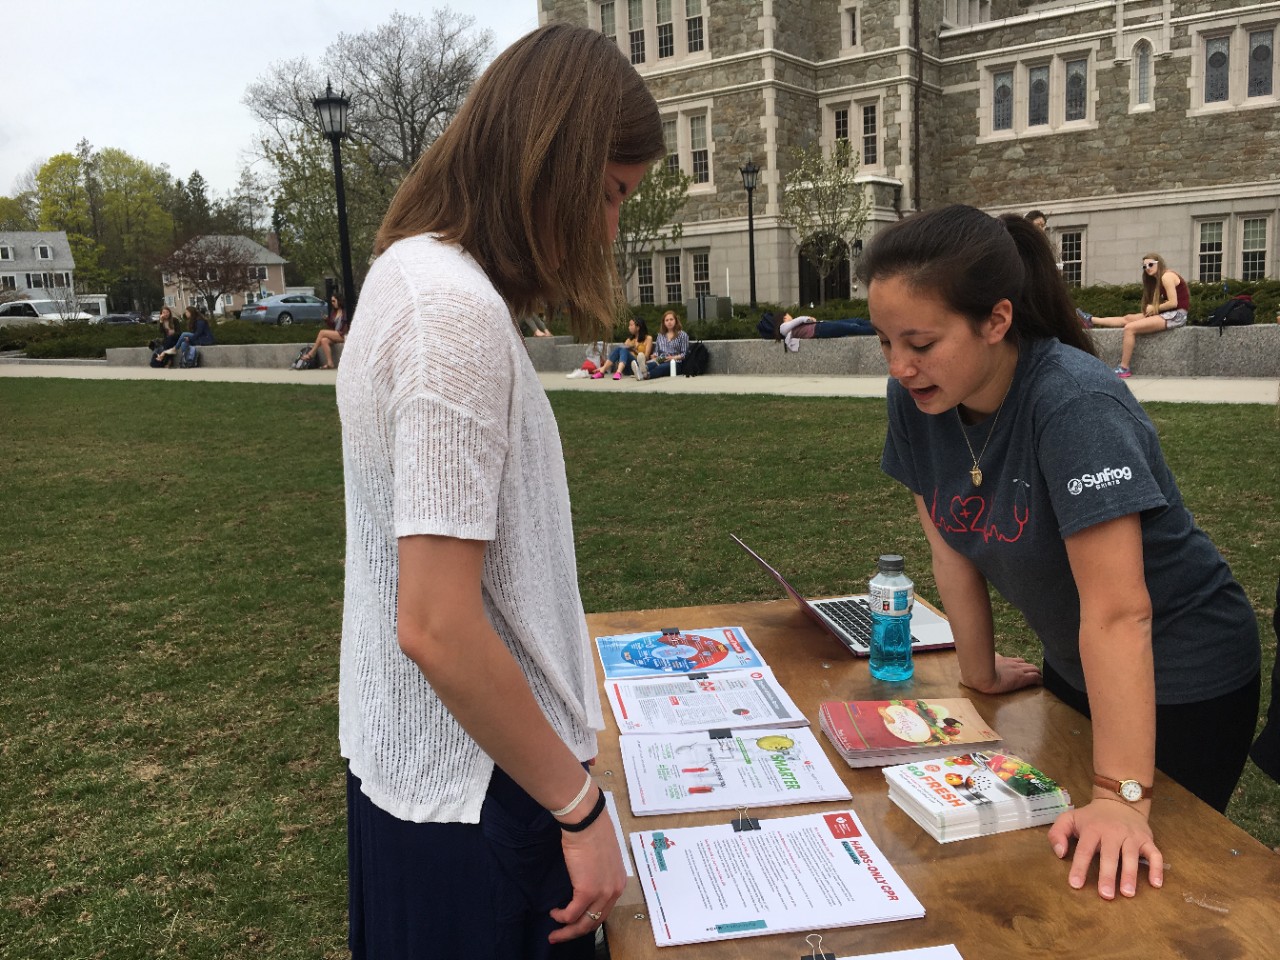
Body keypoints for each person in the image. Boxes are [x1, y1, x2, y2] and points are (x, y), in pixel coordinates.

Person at [334, 23, 661, 959]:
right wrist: (579, 805)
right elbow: (436, 624)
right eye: (607, 196)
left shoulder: (408, 274)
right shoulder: (452, 314)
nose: (607, 228)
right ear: (549, 165)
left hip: (437, 777)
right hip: (485, 798)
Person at [859, 204, 1260, 901]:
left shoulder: (1073, 403)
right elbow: (953, 548)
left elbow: (1118, 612)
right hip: (1080, 661)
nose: (900, 366)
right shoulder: (917, 401)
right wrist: (978, 671)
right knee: (1060, 862)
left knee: (1140, 881)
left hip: (1185, 673)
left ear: (996, 320)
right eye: (885, 342)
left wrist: (1122, 795)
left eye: (919, 342)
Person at [1075, 254, 1189, 378]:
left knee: (1130, 328)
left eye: (1151, 264)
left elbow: (1174, 303)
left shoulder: (1167, 276)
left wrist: (1154, 308)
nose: (1148, 268)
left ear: (1159, 263)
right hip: (1167, 313)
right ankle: (1090, 320)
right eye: (1145, 266)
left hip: (1176, 315)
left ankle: (1124, 368)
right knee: (1128, 318)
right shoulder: (1158, 279)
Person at [776, 311, 873, 352]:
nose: (790, 316)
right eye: (788, 315)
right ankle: (879, 331)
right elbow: (800, 319)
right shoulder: (783, 328)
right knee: (853, 327)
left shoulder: (788, 327)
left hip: (821, 326)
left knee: (856, 321)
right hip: (819, 330)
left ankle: (878, 325)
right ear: (784, 317)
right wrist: (808, 319)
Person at [298, 294, 349, 369]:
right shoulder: (333, 312)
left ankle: (311, 353)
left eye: (334, 301)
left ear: (339, 301)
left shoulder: (345, 312)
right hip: (336, 334)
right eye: (331, 301)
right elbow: (332, 326)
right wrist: (327, 320)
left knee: (322, 332)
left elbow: (347, 325)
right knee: (323, 340)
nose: (332, 303)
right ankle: (330, 363)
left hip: (344, 335)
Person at [632, 310, 687, 379]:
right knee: (653, 364)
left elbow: (685, 354)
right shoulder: (660, 335)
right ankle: (642, 370)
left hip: (675, 362)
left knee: (661, 367)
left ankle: (644, 375)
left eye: (671, 319)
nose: (669, 322)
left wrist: (673, 357)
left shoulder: (682, 335)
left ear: (675, 321)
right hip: (661, 359)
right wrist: (654, 355)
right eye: (666, 320)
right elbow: (657, 351)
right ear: (664, 323)